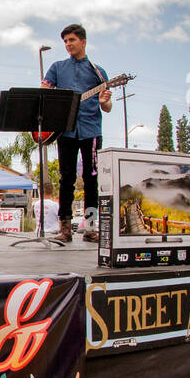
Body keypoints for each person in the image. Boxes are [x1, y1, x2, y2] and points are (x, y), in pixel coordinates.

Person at [42, 23, 112, 243]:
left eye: (72, 40)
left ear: (83, 41)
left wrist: (104, 101)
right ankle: (65, 228)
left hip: (91, 130)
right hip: (66, 131)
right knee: (66, 179)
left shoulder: (98, 71)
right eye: (65, 41)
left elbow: (107, 107)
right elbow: (44, 94)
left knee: (92, 179)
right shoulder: (57, 67)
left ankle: (91, 228)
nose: (68, 45)